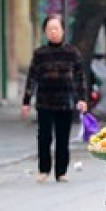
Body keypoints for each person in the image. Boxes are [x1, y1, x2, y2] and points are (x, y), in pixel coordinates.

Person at [22, 15, 88, 183]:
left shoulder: (72, 53)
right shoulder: (40, 54)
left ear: (63, 31)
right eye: (50, 29)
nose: (53, 32)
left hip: (65, 102)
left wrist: (82, 99)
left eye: (56, 28)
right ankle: (43, 169)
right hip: (44, 101)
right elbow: (32, 78)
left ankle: (61, 172)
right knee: (44, 137)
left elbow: (80, 77)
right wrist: (26, 101)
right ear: (45, 32)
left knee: (62, 138)